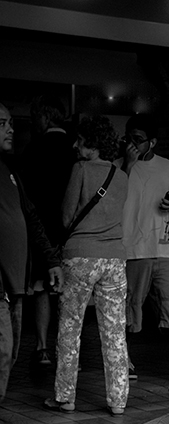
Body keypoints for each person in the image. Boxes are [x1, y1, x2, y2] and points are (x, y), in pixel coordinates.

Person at [44, 116, 129, 416]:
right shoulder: (121, 176)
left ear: (92, 143)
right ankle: (118, 401)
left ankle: (65, 396)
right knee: (115, 331)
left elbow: (67, 217)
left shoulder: (79, 169)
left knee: (70, 328)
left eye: (79, 140)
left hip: (80, 256)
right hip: (115, 258)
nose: (75, 145)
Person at [0, 101, 63, 407]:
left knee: (9, 351)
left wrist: (50, 259)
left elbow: (31, 216)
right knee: (2, 349)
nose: (11, 129)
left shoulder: (11, 171)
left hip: (16, 284)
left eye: (11, 122)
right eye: (3, 124)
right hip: (2, 283)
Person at [118, 114, 169, 376]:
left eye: (138, 140)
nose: (133, 144)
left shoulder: (168, 167)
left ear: (153, 142)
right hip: (132, 249)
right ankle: (122, 361)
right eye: (129, 139)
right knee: (128, 306)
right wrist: (127, 164)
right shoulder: (119, 166)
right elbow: (114, 197)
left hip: (166, 249)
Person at [19, 94, 75, 371]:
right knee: (71, 292)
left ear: (44, 117)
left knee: (41, 287)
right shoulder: (76, 149)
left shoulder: (32, 150)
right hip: (74, 231)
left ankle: (42, 347)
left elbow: (26, 198)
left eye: (34, 117)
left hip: (42, 230)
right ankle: (69, 352)